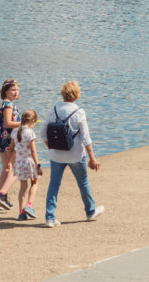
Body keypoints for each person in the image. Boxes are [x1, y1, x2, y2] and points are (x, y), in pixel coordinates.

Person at [44, 80, 104, 227]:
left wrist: (51, 147)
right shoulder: (79, 112)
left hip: (56, 154)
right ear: (76, 94)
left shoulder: (54, 109)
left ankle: (50, 217)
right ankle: (90, 211)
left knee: (54, 184)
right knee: (83, 182)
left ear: (63, 93)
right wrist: (92, 157)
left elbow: (42, 133)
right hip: (75, 154)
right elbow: (85, 137)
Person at [0, 79, 21, 210]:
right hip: (8, 138)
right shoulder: (8, 105)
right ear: (6, 91)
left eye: (17, 89)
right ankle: (1, 194)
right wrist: (25, 123)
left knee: (6, 168)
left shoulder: (6, 104)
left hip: (2, 137)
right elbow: (8, 123)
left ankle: (1, 201)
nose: (16, 92)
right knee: (14, 168)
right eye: (13, 90)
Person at [12, 110, 43, 220]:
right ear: (32, 121)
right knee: (34, 183)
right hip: (29, 162)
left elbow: (11, 148)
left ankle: (21, 212)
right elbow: (33, 151)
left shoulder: (15, 131)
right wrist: (38, 165)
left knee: (22, 187)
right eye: (35, 123)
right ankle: (29, 206)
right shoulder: (30, 133)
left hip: (19, 162)